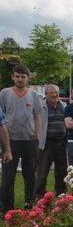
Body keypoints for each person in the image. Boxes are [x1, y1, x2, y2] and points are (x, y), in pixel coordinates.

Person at [0, 64, 43, 210]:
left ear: (28, 78)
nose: (20, 79)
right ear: (12, 77)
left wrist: (37, 136)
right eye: (17, 76)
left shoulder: (34, 95)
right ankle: (6, 208)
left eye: (23, 77)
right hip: (10, 142)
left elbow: (37, 117)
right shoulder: (4, 93)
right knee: (7, 176)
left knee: (30, 175)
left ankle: (29, 206)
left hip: (30, 141)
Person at [36, 84, 67, 197]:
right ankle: (40, 196)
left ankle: (61, 195)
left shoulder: (64, 105)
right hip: (46, 143)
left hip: (61, 143)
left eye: (56, 92)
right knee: (42, 171)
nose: (54, 95)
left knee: (62, 171)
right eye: (51, 93)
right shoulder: (40, 106)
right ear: (46, 94)